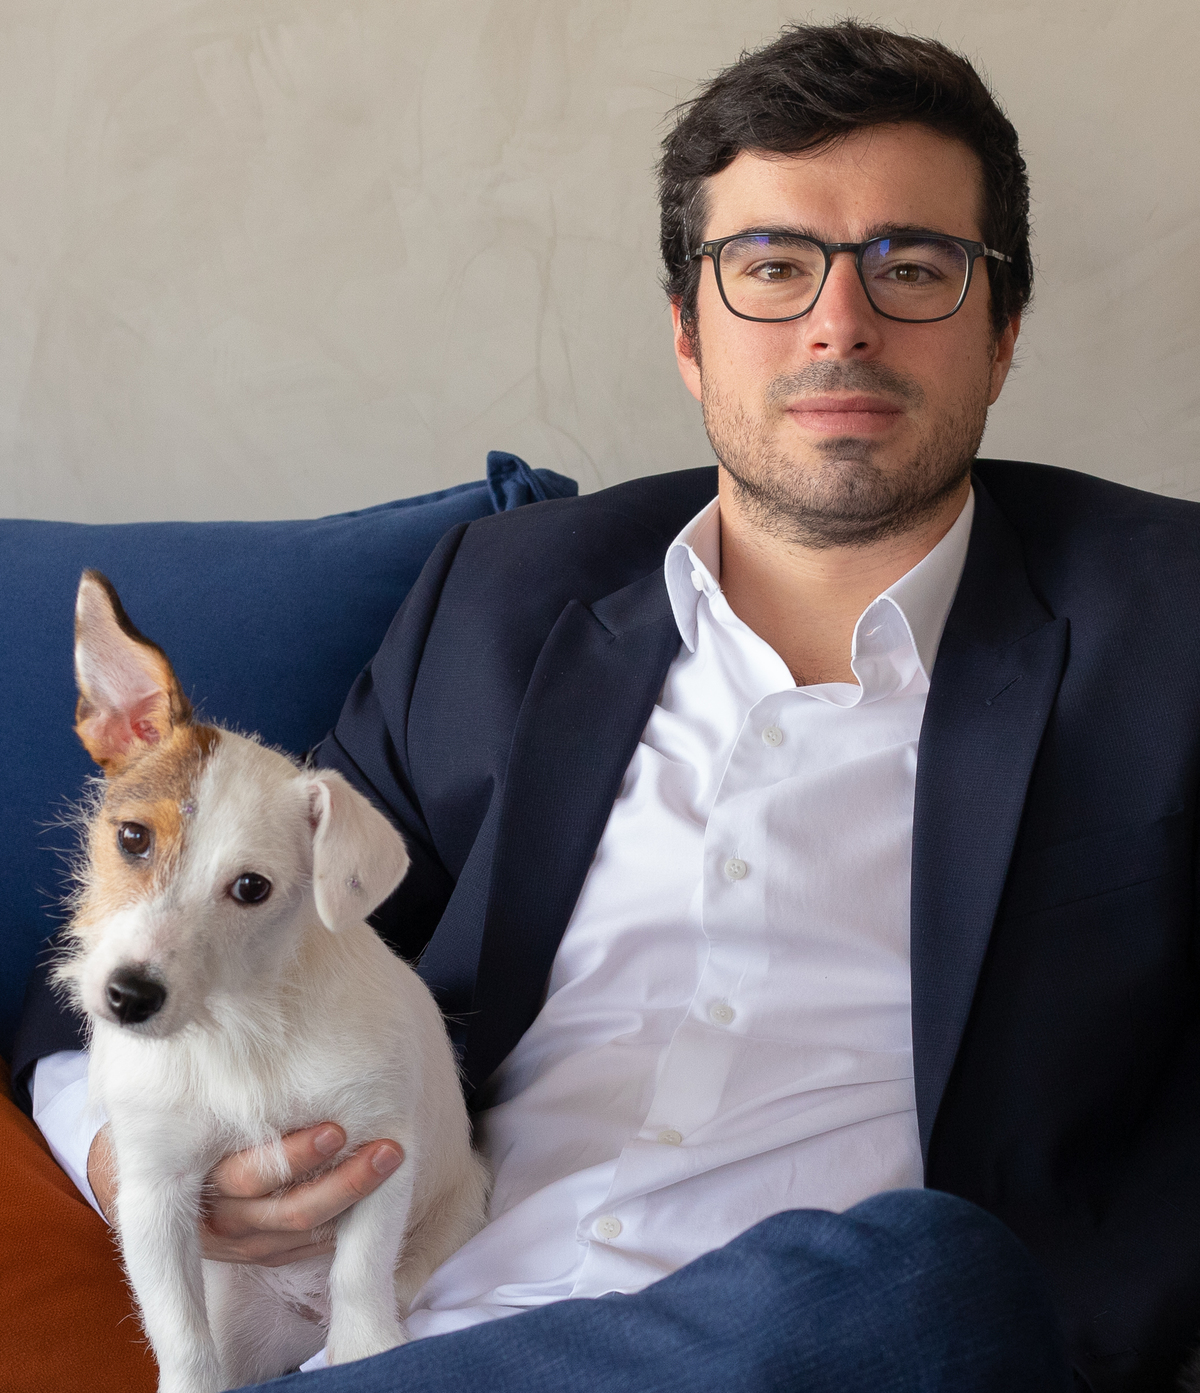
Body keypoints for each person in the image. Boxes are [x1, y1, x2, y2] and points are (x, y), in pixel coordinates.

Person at [14, 20, 1200, 1393]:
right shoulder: (505, 598)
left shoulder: (1165, 625)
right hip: (428, 1328)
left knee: (929, 1275)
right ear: (689, 335)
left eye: (914, 267)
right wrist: (133, 1157)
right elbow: (176, 934)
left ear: (1001, 334)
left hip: (855, 1345)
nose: (841, 323)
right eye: (773, 267)